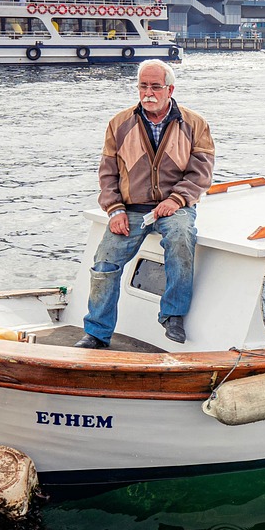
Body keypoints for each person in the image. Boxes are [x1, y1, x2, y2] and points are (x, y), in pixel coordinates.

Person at [77, 60, 215, 349]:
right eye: (143, 86)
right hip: (129, 207)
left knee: (181, 238)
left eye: (155, 86)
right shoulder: (119, 123)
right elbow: (107, 173)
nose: (148, 92)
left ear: (170, 89)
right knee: (104, 264)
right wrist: (114, 209)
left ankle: (172, 315)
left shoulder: (194, 123)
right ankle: (97, 333)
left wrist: (176, 199)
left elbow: (201, 172)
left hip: (175, 206)